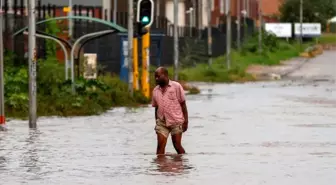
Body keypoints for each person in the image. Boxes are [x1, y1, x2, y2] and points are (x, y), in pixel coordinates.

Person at [151, 67, 189, 155]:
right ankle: (160, 167)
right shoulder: (155, 91)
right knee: (160, 146)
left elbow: (183, 104)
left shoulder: (176, 86)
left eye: (158, 76)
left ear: (165, 75)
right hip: (162, 123)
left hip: (176, 121)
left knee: (177, 145)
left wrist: (186, 121)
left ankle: (184, 164)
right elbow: (156, 108)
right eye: (155, 77)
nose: (156, 79)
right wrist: (157, 122)